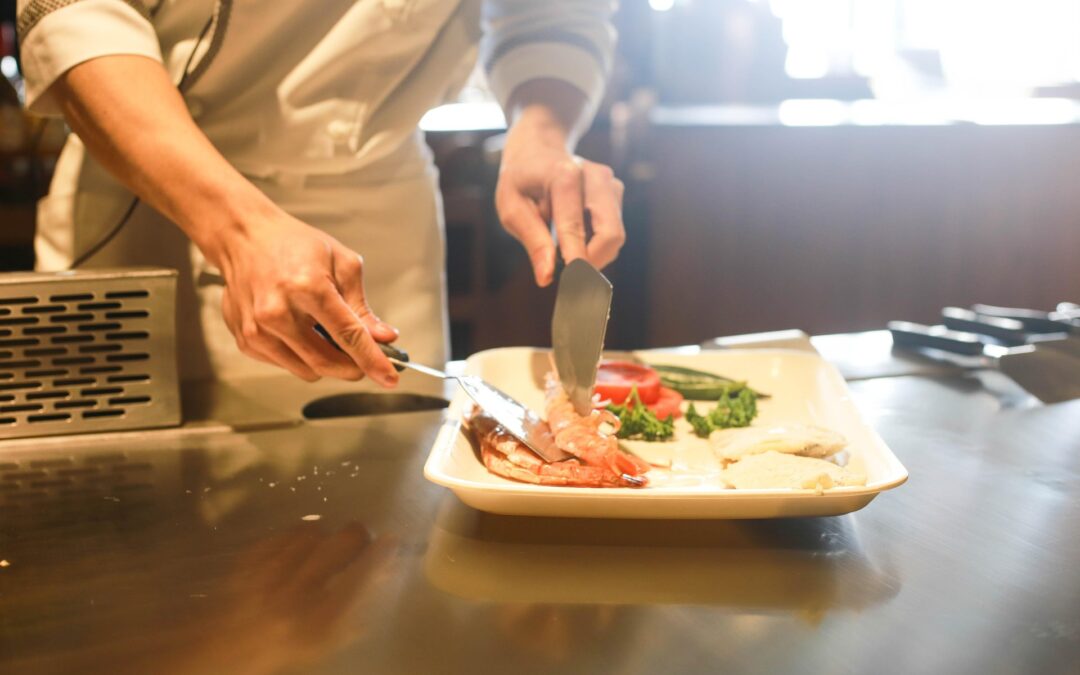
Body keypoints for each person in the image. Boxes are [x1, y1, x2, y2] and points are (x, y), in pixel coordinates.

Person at [16, 0, 626, 385]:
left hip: (379, 205)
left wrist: (542, 132)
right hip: (156, 187)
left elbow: (553, 15)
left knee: (392, 537)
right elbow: (74, 15)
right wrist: (239, 231)